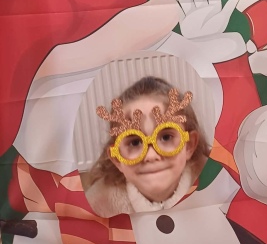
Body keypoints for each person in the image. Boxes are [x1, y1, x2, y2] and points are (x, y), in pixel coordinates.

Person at [85, 76, 210, 216]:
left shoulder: (218, 187)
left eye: (166, 137)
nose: (151, 155)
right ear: (117, 158)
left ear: (189, 145)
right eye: (135, 142)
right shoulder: (97, 207)